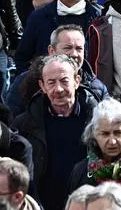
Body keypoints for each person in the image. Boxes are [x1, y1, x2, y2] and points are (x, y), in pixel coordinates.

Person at [13, 54, 97, 210]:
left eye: (64, 81)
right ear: (42, 86)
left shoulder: (97, 120)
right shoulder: (25, 124)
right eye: (51, 83)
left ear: (77, 81)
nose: (58, 89)